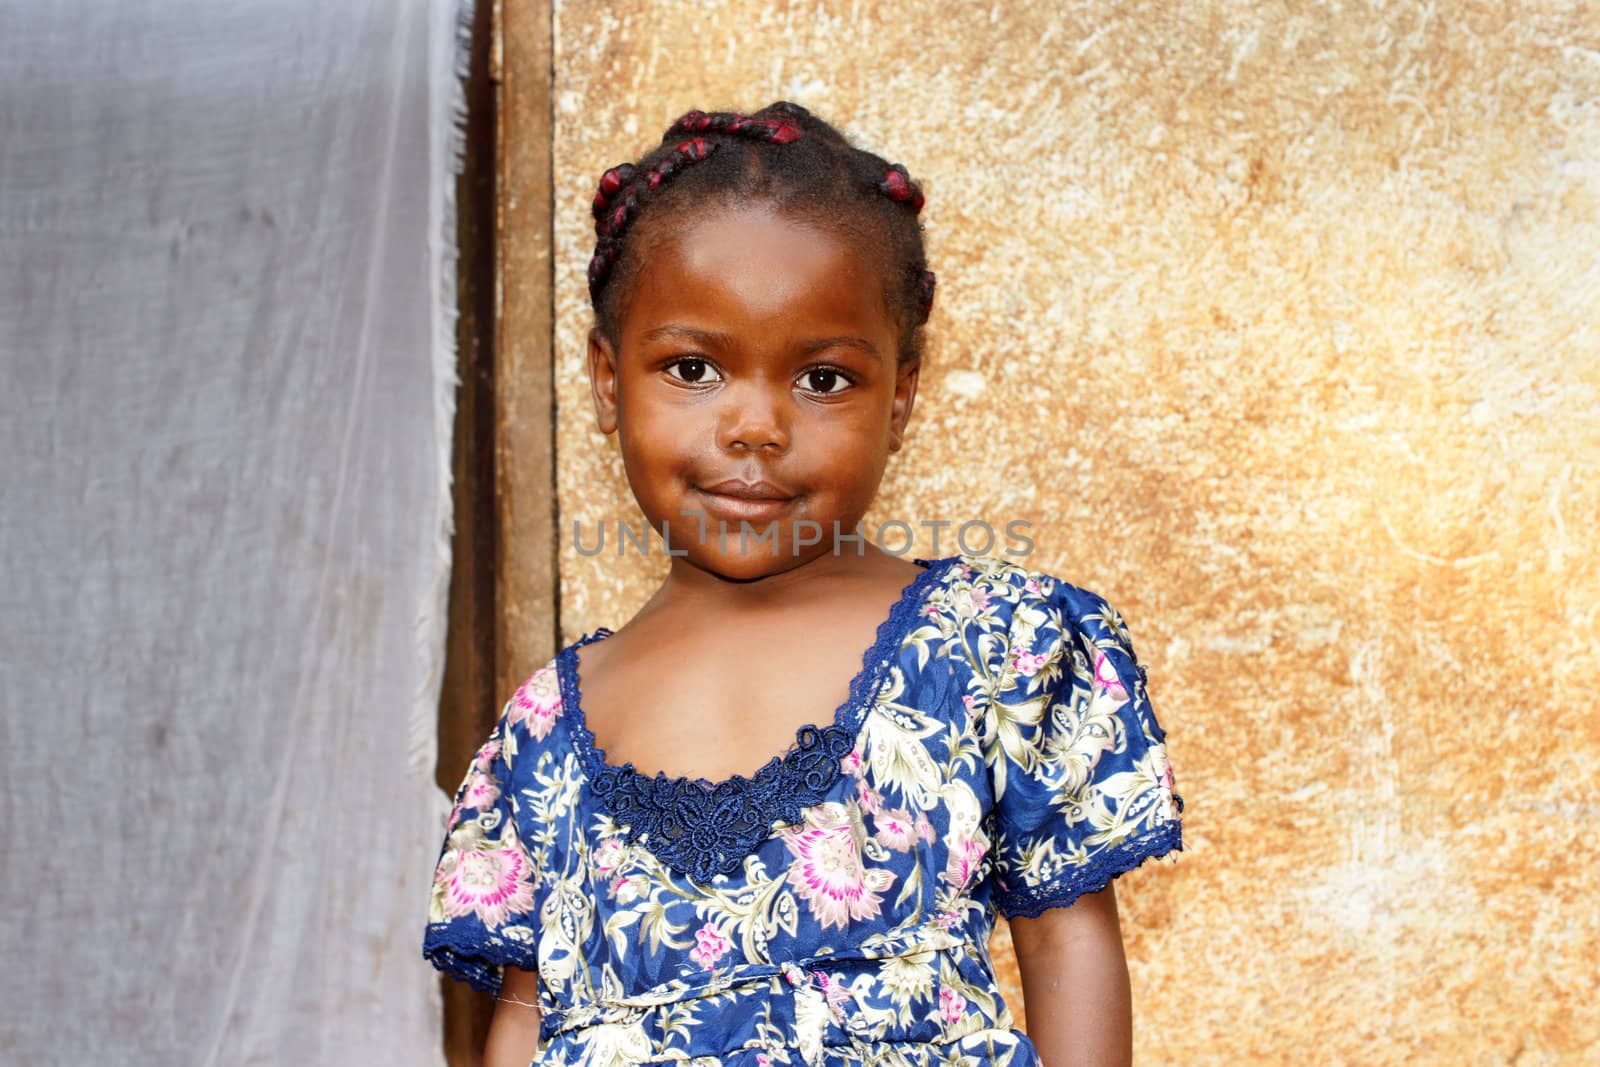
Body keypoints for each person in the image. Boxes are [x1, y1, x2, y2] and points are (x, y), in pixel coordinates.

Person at [422, 102, 1184, 1067]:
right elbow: (527, 1018)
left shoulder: (995, 648)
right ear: (609, 381)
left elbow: (1065, 942)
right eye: (693, 367)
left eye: (822, 379)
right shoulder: (542, 733)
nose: (755, 426)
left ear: (900, 397)